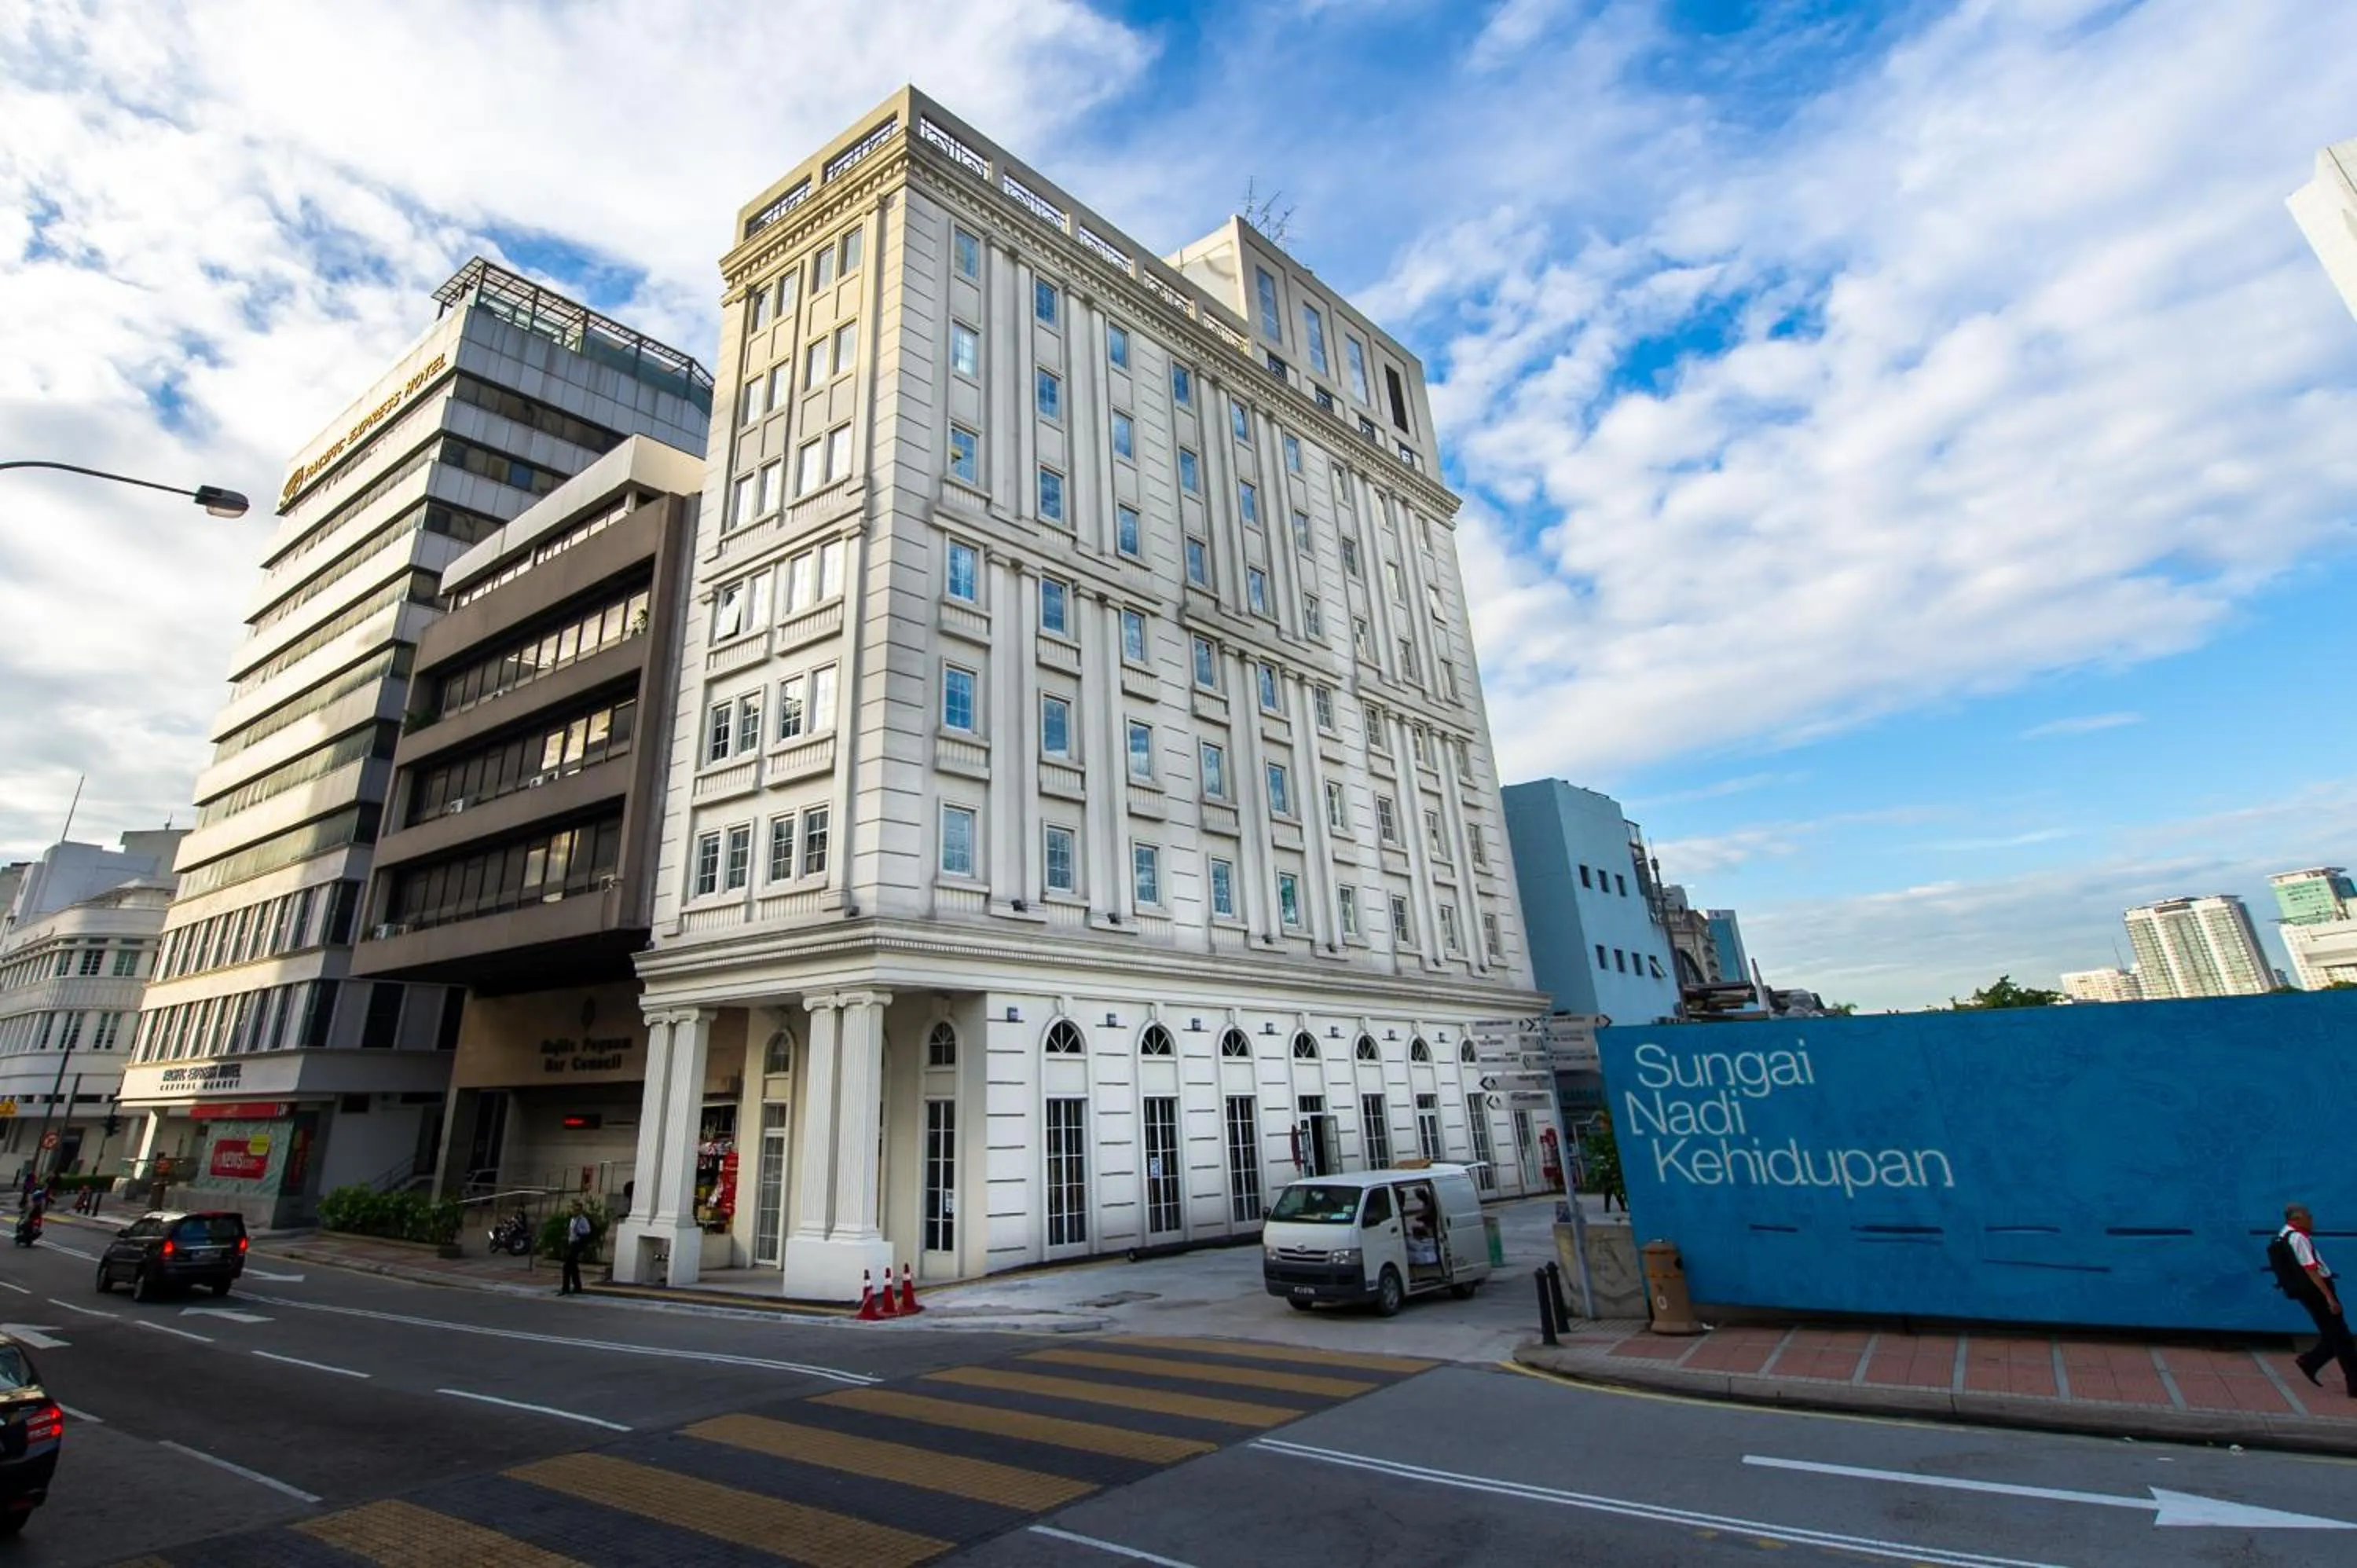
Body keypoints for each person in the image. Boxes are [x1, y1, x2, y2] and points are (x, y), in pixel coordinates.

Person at [2281, 1203, 2357, 1398]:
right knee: (2342, 1338)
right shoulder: (2298, 1238)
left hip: (2311, 1292)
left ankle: (2310, 1362)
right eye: (2309, 1216)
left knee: (2336, 1335)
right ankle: (2353, 1383)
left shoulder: (2285, 1234)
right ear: (2297, 1219)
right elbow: (2311, 1269)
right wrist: (2329, 1298)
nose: (2312, 1220)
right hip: (2317, 1291)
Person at [559, 1203, 592, 1296]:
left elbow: (587, 1231)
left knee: (567, 1267)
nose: (574, 1212)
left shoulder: (583, 1220)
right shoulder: (572, 1220)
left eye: (577, 1210)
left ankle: (566, 1288)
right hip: (572, 1243)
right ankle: (577, 1287)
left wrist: (579, 1231)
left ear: (580, 1211)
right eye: (574, 1210)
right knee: (573, 1267)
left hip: (577, 1244)